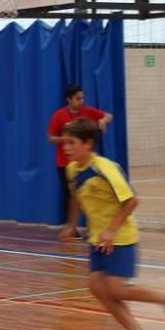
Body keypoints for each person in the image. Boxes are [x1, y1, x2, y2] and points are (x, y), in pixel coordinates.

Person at [59, 118, 165, 330]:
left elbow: (131, 200)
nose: (65, 147)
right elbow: (76, 197)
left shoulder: (104, 168)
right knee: (97, 287)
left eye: (71, 142)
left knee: (115, 288)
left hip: (119, 237)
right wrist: (71, 224)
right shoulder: (72, 169)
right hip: (98, 240)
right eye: (64, 142)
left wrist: (110, 230)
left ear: (88, 144)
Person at [48, 84, 113, 238]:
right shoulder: (59, 115)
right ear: (69, 99)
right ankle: (72, 227)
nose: (81, 101)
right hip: (64, 164)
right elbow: (50, 137)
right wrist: (68, 139)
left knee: (91, 194)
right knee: (71, 195)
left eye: (82, 98)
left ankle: (93, 227)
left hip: (85, 163)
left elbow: (108, 115)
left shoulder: (87, 111)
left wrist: (103, 120)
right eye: (78, 98)